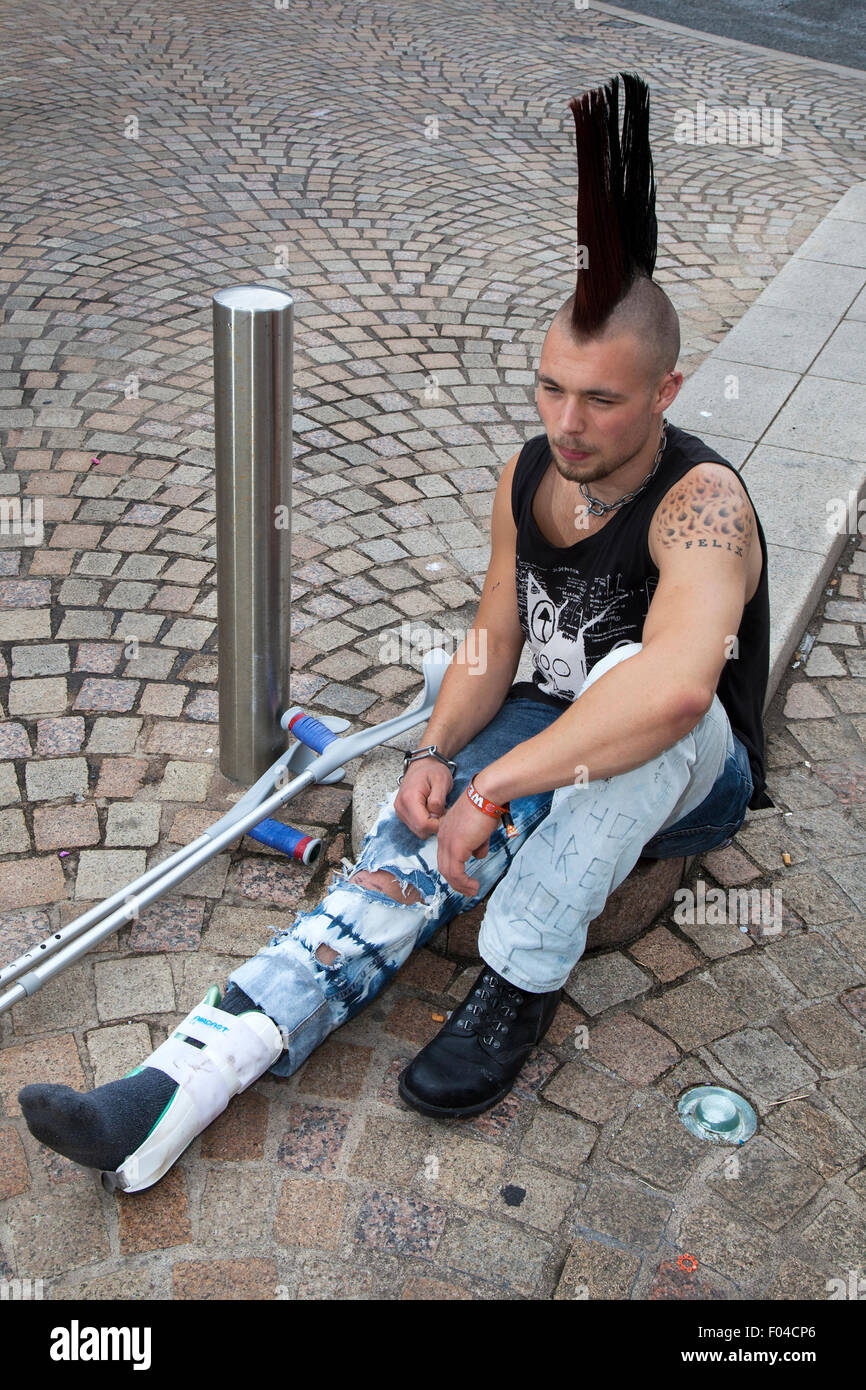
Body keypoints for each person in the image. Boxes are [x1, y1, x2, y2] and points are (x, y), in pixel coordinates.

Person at [18, 72, 770, 1193]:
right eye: (550, 389)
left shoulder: (702, 504)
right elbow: (490, 639)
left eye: (601, 401)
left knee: (635, 701)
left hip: (681, 764)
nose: (566, 422)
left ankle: (518, 978)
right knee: (400, 842)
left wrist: (492, 785)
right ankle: (175, 1089)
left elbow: (666, 696)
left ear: (664, 388)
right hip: (544, 728)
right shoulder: (532, 470)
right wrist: (432, 757)